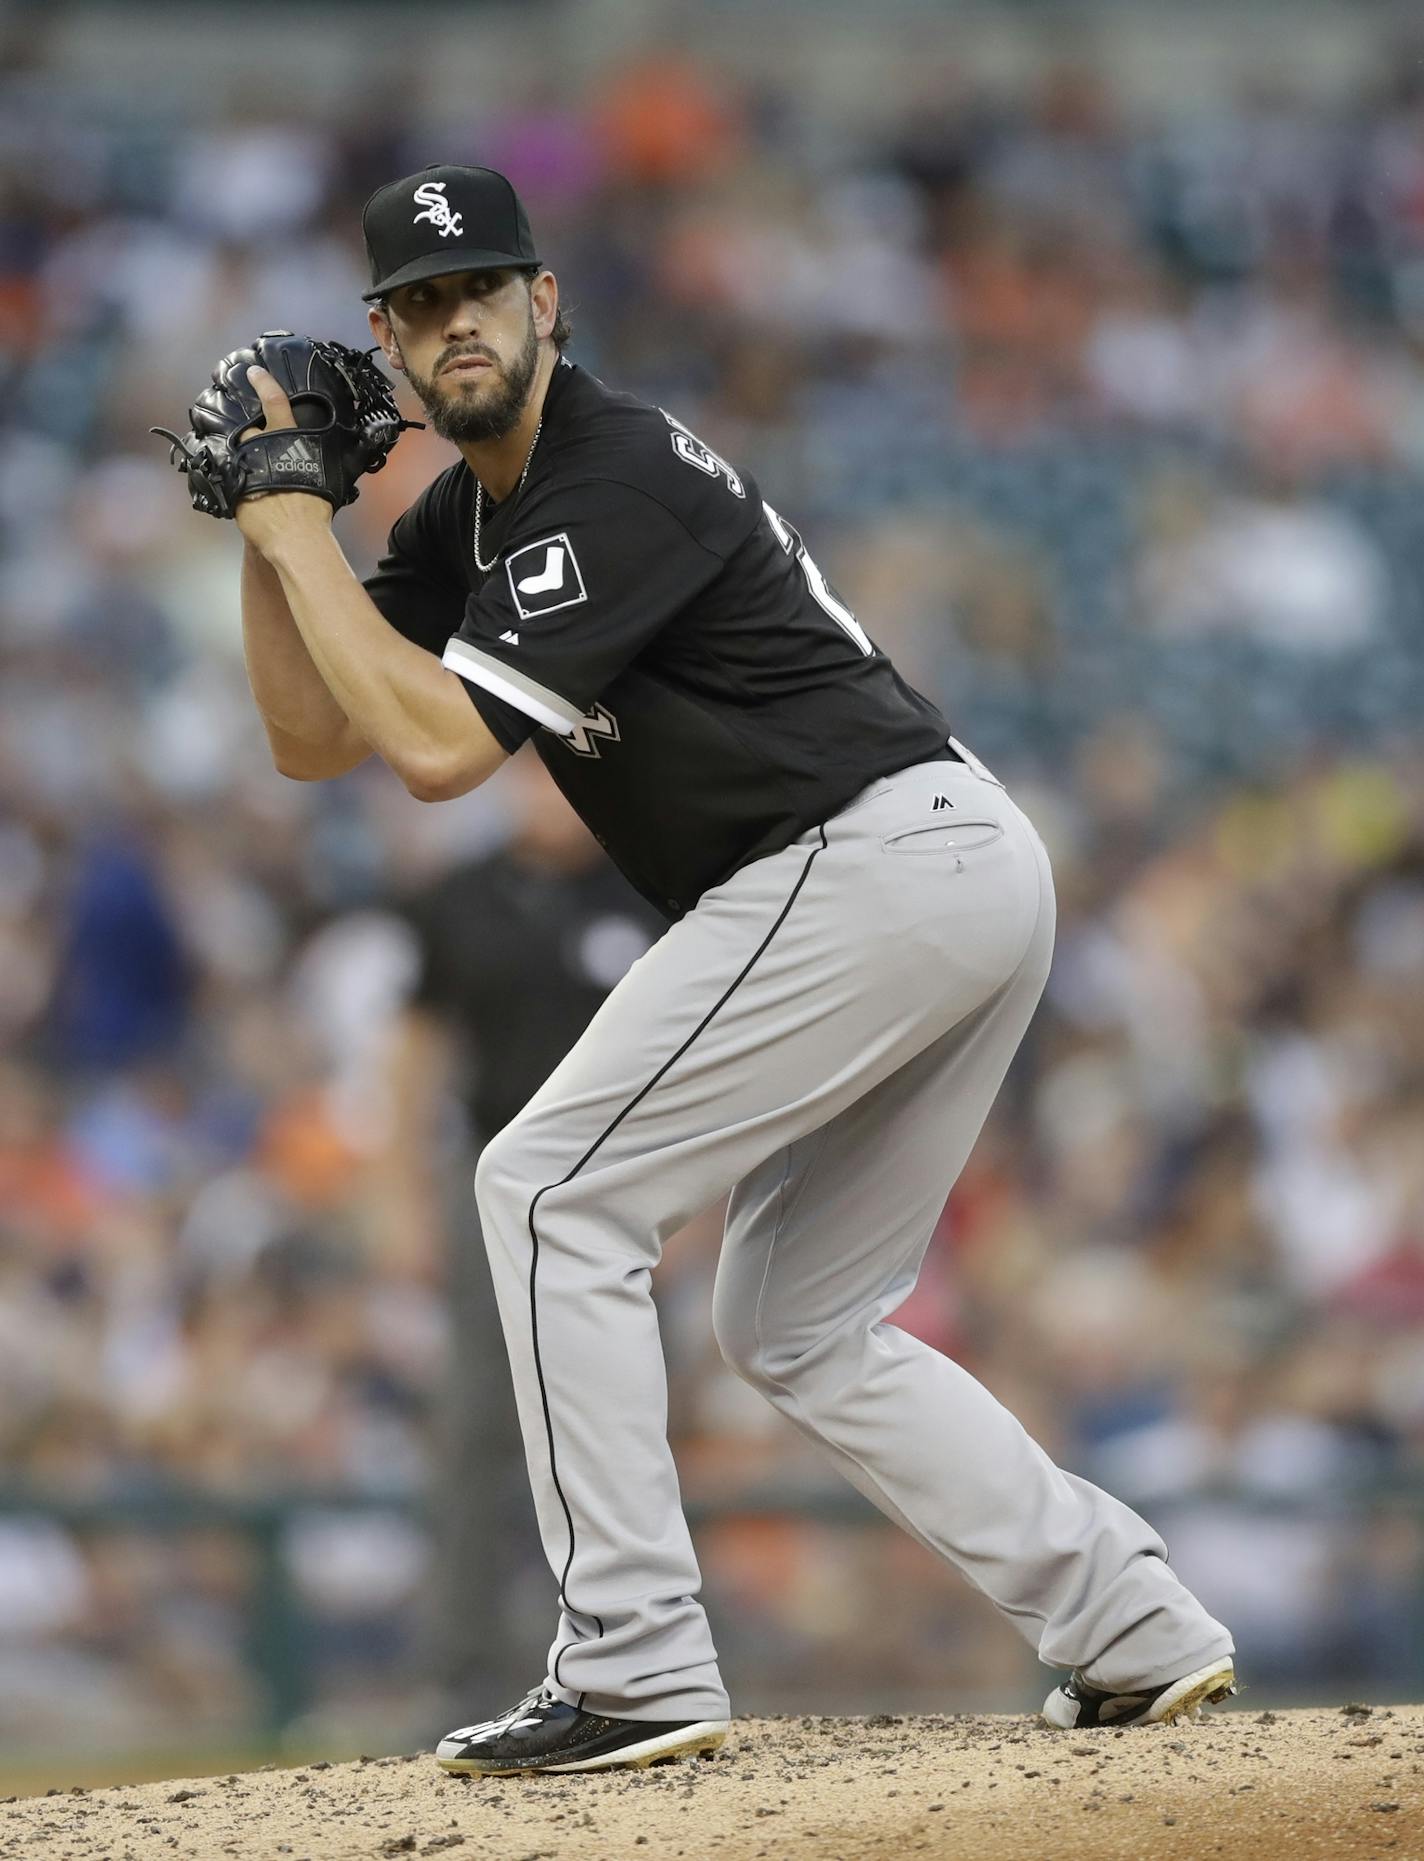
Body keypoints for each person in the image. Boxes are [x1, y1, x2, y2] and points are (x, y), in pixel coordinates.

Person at [232, 162, 1236, 1775]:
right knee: (792, 1319)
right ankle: (1128, 1624)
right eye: (418, 305)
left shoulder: (605, 473)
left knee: (547, 1190)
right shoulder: (461, 514)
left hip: (865, 859)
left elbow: (431, 751)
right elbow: (305, 739)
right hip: (932, 868)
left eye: (478, 288)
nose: (453, 321)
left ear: (541, 300)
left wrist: (291, 512)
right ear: (387, 344)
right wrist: (267, 532)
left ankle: (629, 1660)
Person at [371, 752, 664, 1715]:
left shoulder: (650, 881)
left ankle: (643, 1648)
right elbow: (417, 1056)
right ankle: (460, 1666)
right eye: (527, 777)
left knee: (633, 1421)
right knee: (476, 1427)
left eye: (557, 777)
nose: (543, 797)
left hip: (628, 1182)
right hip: (491, 1182)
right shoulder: (457, 898)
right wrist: (405, 1197)